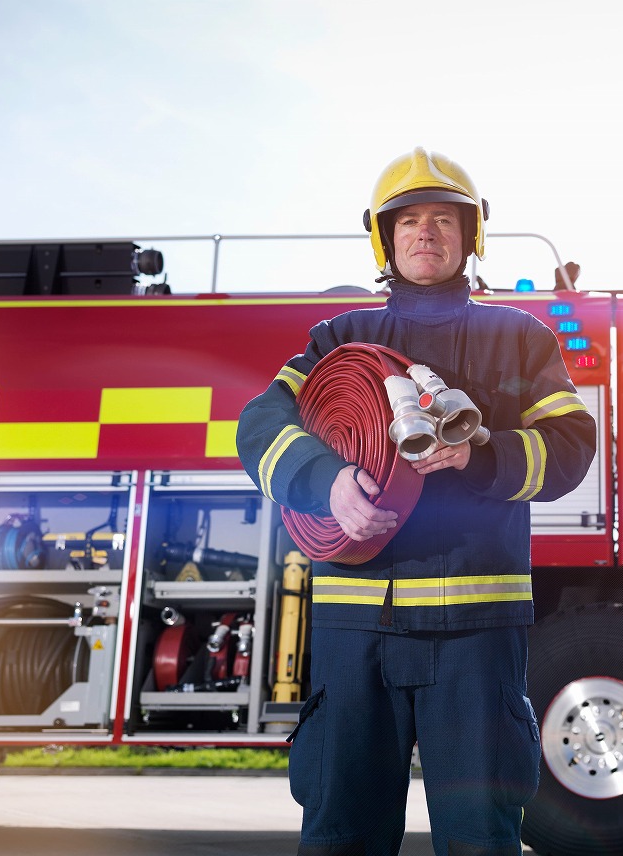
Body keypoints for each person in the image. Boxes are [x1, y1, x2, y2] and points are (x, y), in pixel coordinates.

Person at [236, 147, 597, 856]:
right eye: (407, 221)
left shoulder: (521, 338)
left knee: (480, 840)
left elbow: (572, 445)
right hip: (355, 631)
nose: (424, 232)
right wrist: (328, 481)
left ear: (469, 236)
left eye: (441, 219)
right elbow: (259, 422)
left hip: (478, 634)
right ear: (385, 238)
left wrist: (481, 454)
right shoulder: (338, 339)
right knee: (342, 836)